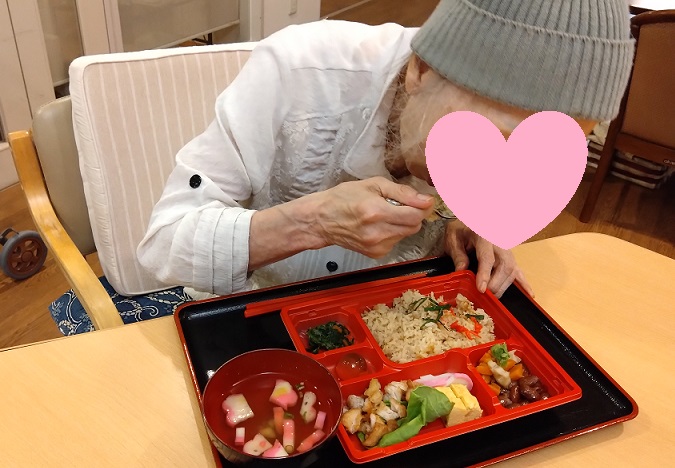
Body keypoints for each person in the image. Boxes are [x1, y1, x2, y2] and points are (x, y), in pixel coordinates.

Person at [137, 0, 634, 299]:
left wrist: (473, 224)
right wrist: (312, 222)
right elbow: (164, 244)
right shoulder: (300, 71)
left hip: (395, 317)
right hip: (252, 316)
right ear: (420, 70)